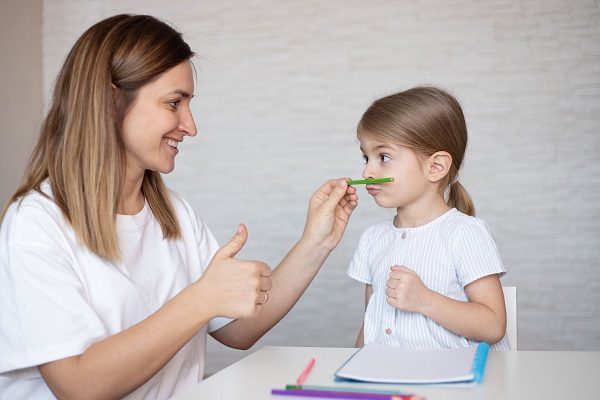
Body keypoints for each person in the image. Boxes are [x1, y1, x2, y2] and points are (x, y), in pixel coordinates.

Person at [0, 14, 358, 399]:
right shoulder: (37, 223)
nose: (190, 125)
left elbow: (238, 329)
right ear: (110, 100)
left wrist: (317, 241)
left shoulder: (173, 214)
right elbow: (79, 386)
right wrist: (201, 298)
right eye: (174, 103)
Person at [348, 86, 510, 351]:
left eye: (383, 157)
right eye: (366, 157)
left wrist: (424, 300)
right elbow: (371, 324)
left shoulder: (466, 233)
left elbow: (493, 326)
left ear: (435, 167)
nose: (367, 171)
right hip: (394, 385)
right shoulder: (372, 239)